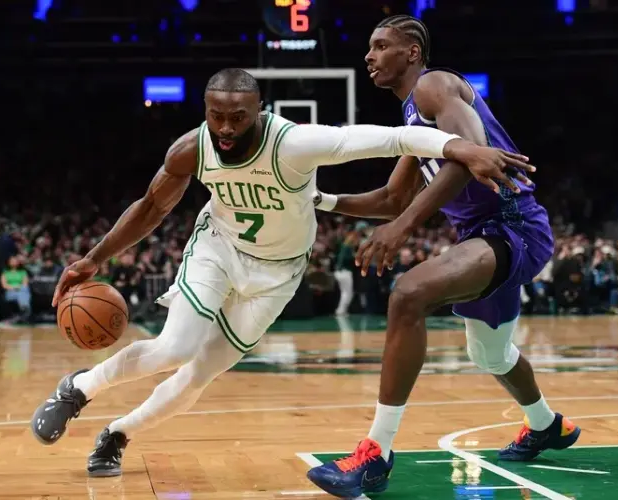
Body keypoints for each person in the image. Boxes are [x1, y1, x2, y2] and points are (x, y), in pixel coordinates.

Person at [28, 68, 533, 477]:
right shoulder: (192, 148)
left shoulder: (293, 144)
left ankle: (118, 433)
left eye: (237, 118)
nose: (225, 128)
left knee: (199, 376)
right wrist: (95, 257)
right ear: (206, 111)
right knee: (175, 348)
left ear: (258, 112)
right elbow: (150, 206)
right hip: (218, 250)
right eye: (216, 116)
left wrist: (461, 148)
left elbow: (390, 137)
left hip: (278, 273)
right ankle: (78, 389)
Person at [306, 16, 580, 498]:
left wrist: (403, 227)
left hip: (513, 225)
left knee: (408, 293)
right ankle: (546, 425)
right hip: (481, 235)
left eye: (380, 45)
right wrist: (320, 200)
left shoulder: (434, 86)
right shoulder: (412, 124)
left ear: (411, 52)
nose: (369, 56)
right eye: (369, 47)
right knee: (489, 354)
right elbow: (390, 200)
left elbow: (470, 156)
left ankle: (376, 454)